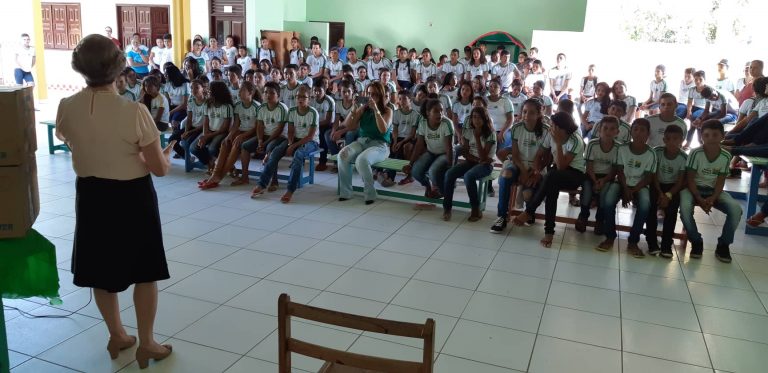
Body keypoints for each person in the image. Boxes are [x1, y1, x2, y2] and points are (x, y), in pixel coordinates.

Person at [55, 34, 173, 369]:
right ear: (119, 67)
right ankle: (147, 342)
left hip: (91, 195)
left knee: (101, 270)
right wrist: (165, 153)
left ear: (80, 68)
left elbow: (65, 136)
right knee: (144, 271)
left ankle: (117, 334)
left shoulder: (67, 106)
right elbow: (159, 170)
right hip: (132, 196)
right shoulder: (133, 111)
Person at [512, 112, 586, 248]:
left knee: (551, 177)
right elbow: (538, 155)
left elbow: (562, 167)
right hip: (556, 172)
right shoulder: (550, 135)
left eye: (553, 126)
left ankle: (529, 212)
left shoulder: (576, 140)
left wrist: (557, 144)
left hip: (575, 174)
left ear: (561, 128)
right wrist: (536, 171)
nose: (550, 128)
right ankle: (548, 231)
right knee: (551, 187)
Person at [679, 120, 742, 263]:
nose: (710, 138)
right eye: (706, 135)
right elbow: (690, 179)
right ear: (701, 137)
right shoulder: (695, 153)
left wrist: (713, 197)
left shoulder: (726, 156)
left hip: (714, 191)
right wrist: (698, 198)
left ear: (722, 136)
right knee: (685, 207)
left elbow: (720, 181)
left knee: (736, 209)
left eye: (715, 135)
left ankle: (723, 245)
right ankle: (696, 241)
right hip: (693, 189)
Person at [598, 118, 657, 257]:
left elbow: (648, 178)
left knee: (644, 205)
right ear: (631, 132)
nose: (638, 133)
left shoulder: (651, 153)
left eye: (643, 130)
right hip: (622, 183)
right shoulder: (623, 148)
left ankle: (633, 241)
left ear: (648, 134)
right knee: (608, 200)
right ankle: (610, 237)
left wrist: (632, 191)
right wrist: (625, 190)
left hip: (640, 185)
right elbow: (619, 171)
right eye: (635, 129)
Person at [490, 99, 548, 233]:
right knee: (505, 175)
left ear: (539, 114)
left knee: (528, 193)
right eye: (524, 112)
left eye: (532, 112)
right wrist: (523, 172)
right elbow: (515, 155)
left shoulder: (546, 130)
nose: (527, 115)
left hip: (537, 167)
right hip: (519, 163)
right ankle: (502, 217)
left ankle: (529, 212)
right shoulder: (517, 127)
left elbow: (547, 158)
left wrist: (533, 172)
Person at [337, 81, 394, 204]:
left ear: (380, 96)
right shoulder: (364, 109)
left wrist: (376, 110)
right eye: (369, 94)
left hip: (380, 146)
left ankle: (370, 193)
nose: (371, 97)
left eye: (374, 94)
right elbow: (349, 126)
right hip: (362, 142)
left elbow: (383, 129)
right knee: (342, 154)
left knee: (361, 160)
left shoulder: (388, 111)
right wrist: (354, 108)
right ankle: (346, 192)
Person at [199, 82, 260, 189]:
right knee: (224, 143)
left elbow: (256, 128)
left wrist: (241, 136)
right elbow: (236, 124)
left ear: (251, 92)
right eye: (239, 90)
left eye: (242, 90)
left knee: (236, 145)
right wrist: (229, 136)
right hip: (240, 132)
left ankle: (217, 177)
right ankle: (215, 176)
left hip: (253, 133)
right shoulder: (237, 105)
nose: (239, 92)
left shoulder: (257, 106)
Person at [443, 106, 496, 221]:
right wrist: (478, 160)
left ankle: (475, 208)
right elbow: (465, 153)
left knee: (469, 176)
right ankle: (447, 207)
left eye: (480, 117)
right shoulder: (468, 131)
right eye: (474, 117)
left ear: (485, 119)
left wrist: (477, 138)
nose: (476, 120)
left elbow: (484, 157)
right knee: (449, 173)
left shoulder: (491, 134)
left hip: (486, 165)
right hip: (473, 161)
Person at [648, 124, 687, 258]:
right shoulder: (657, 151)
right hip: (657, 185)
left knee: (671, 211)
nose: (672, 142)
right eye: (668, 139)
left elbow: (681, 181)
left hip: (673, 188)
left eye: (676, 139)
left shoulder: (683, 157)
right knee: (651, 207)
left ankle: (666, 244)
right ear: (664, 140)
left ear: (681, 140)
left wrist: (668, 195)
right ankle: (651, 242)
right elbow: (653, 175)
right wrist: (659, 193)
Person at [575, 116, 620, 234]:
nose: (608, 132)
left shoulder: (618, 147)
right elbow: (589, 166)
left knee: (605, 193)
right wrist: (595, 181)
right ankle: (583, 216)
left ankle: (600, 220)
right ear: (599, 130)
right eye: (605, 128)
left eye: (612, 129)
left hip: (608, 177)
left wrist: (604, 181)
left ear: (617, 132)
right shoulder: (592, 144)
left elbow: (615, 169)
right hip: (591, 175)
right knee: (587, 191)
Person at [242, 82, 288, 191]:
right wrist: (259, 140)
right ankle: (244, 176)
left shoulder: (282, 108)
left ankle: (274, 181)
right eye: (266, 92)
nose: (268, 95)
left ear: (278, 95)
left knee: (270, 148)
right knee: (245, 146)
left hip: (280, 137)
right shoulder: (261, 107)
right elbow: (260, 126)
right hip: (265, 137)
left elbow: (279, 130)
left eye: (272, 93)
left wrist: (265, 143)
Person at [404, 98, 453, 199]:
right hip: (431, 152)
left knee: (433, 171)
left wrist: (450, 165)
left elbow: (449, 147)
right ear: (427, 113)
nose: (440, 113)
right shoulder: (423, 123)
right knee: (415, 171)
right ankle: (428, 186)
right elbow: (419, 145)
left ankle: (440, 190)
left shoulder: (447, 123)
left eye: (441, 110)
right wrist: (410, 163)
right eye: (436, 111)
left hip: (445, 153)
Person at [190, 81, 234, 172]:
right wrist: (204, 135)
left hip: (221, 132)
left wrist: (207, 136)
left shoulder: (227, 106)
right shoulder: (207, 103)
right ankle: (210, 162)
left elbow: (224, 128)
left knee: (212, 149)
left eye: (210, 91)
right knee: (193, 148)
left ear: (217, 92)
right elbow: (206, 122)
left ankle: (225, 165)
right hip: (210, 131)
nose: (208, 92)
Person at [390, 90, 420, 184]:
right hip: (398, 138)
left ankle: (392, 176)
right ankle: (386, 173)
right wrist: (395, 141)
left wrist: (401, 142)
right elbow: (395, 130)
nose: (401, 101)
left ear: (410, 100)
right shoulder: (396, 113)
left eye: (404, 99)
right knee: (392, 151)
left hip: (409, 138)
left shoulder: (415, 114)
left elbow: (412, 133)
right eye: (399, 99)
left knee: (400, 151)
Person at [310, 77, 335, 171]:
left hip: (327, 125)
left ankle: (322, 162)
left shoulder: (329, 101)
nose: (316, 93)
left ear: (324, 90)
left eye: (319, 91)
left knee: (322, 134)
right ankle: (301, 159)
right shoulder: (312, 100)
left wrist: (315, 126)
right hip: (315, 125)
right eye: (314, 91)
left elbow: (328, 120)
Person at [683, 70, 708, 149]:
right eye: (696, 79)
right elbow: (689, 102)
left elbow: (709, 105)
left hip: (704, 109)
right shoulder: (692, 89)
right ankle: (696, 143)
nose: (698, 81)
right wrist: (688, 111)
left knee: (694, 121)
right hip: (695, 107)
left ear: (704, 79)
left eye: (700, 79)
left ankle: (693, 142)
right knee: (693, 123)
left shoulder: (707, 89)